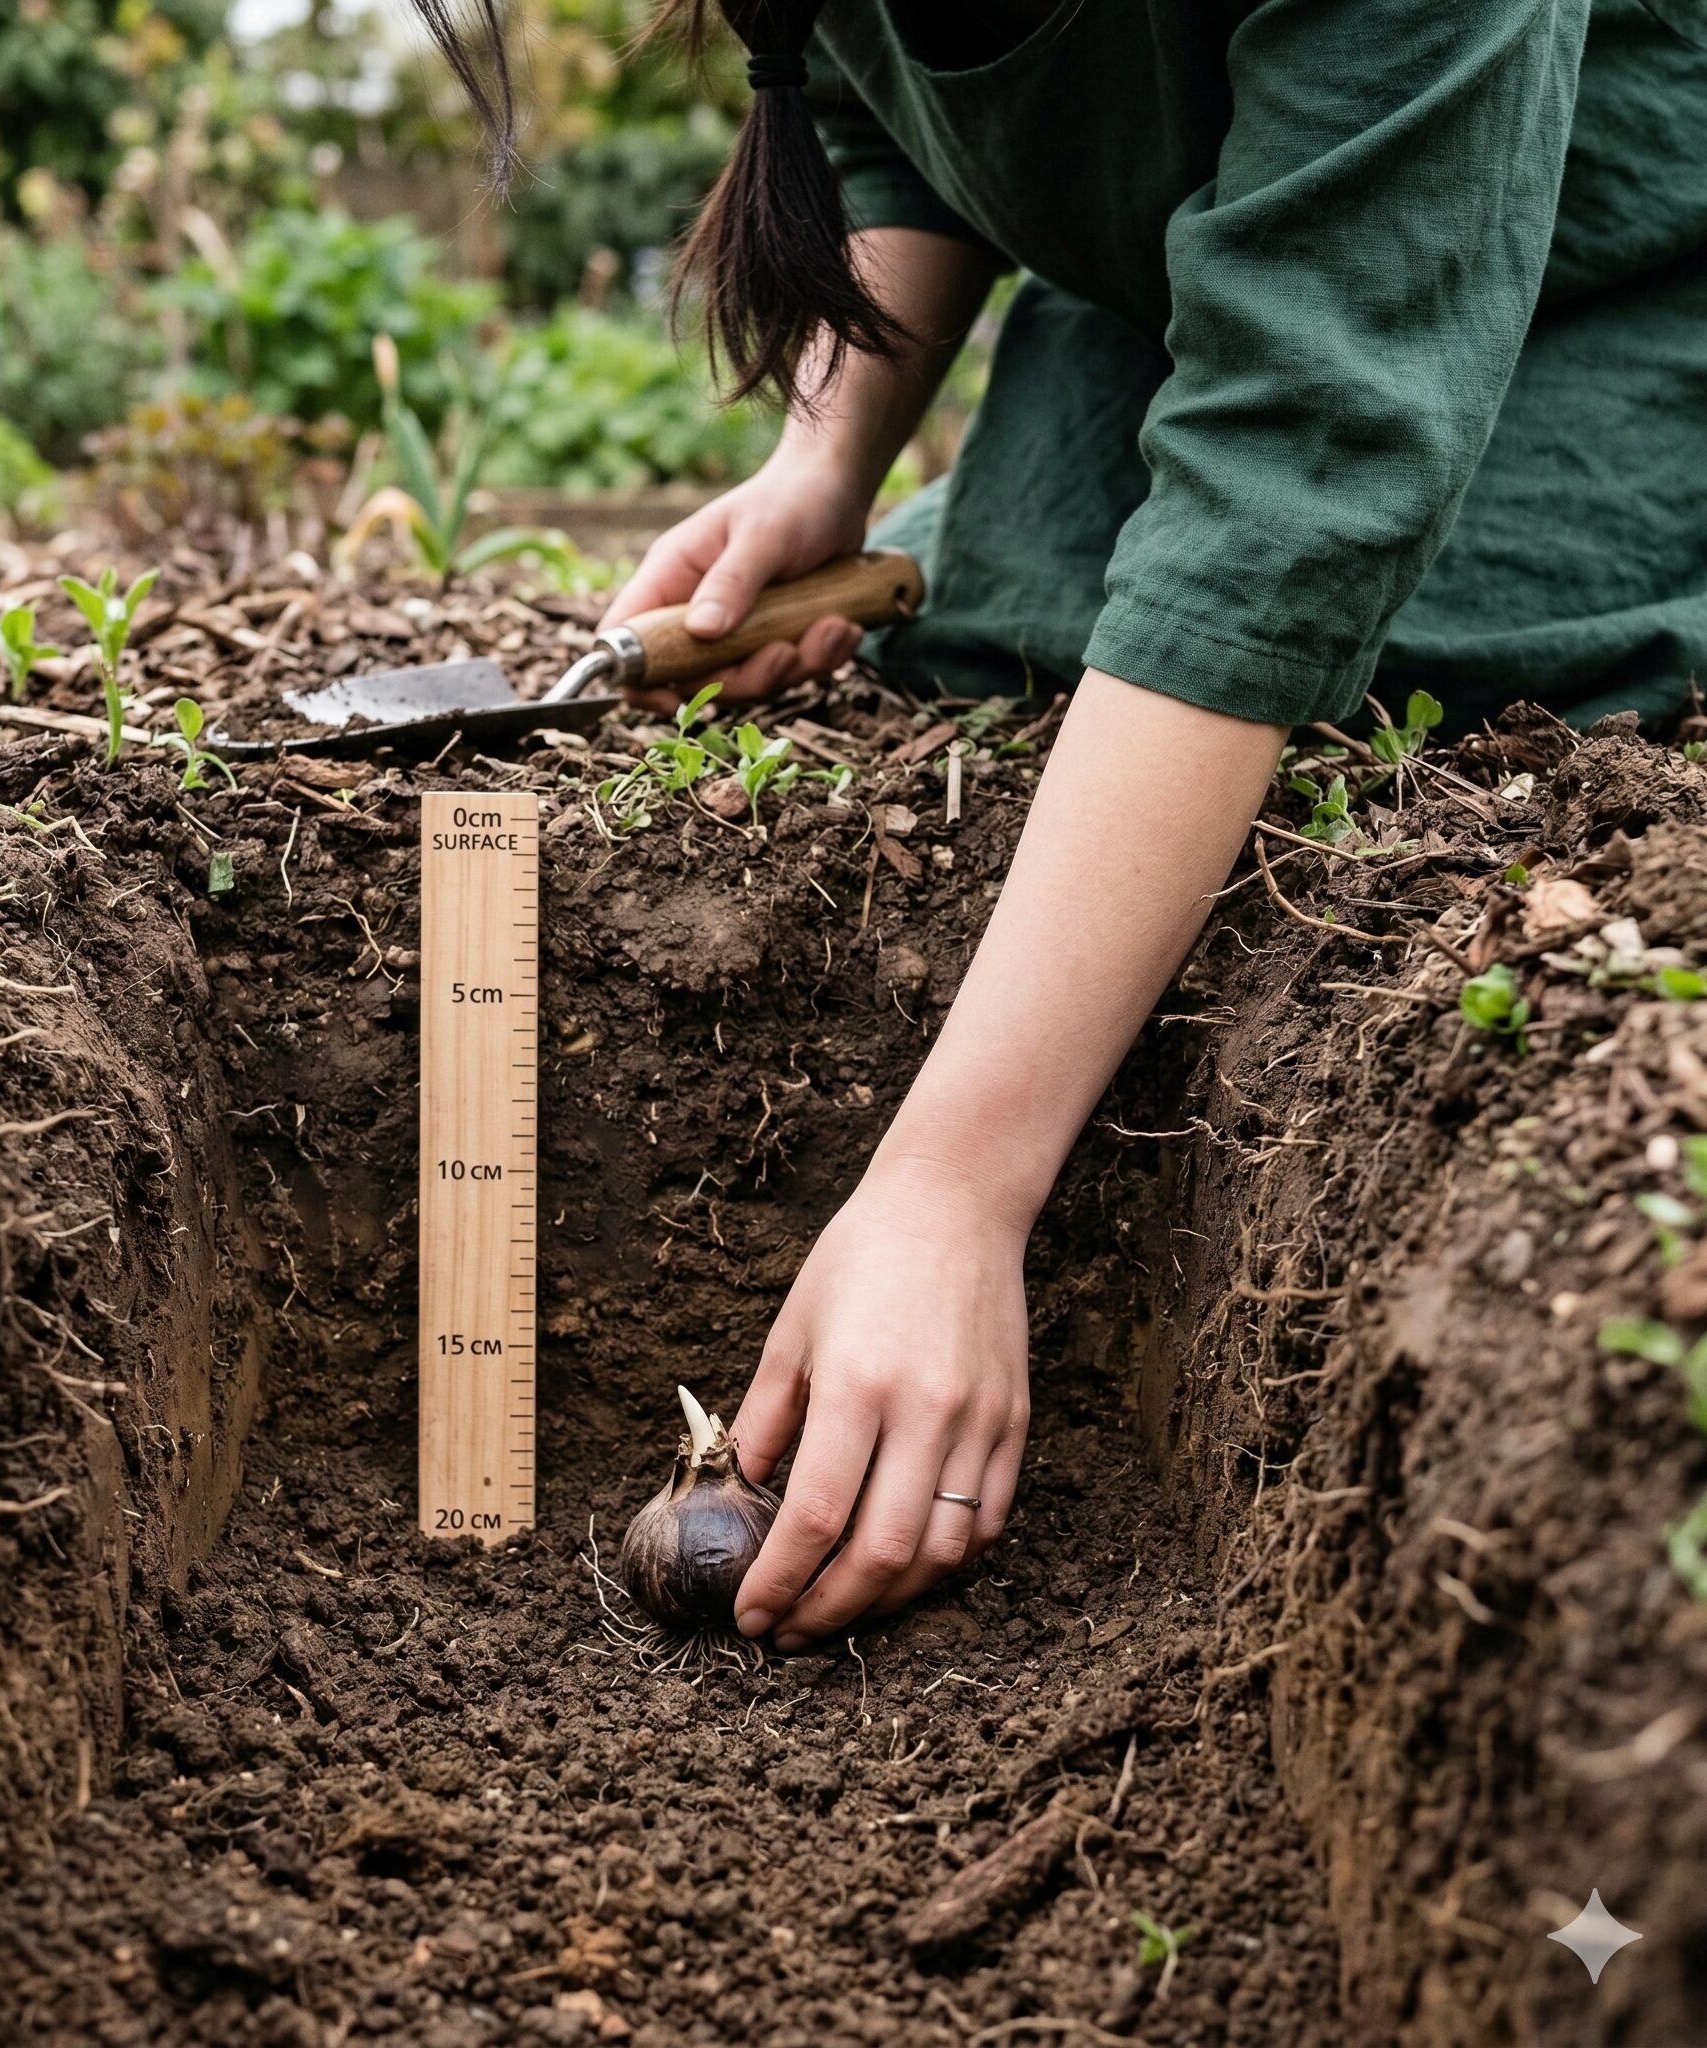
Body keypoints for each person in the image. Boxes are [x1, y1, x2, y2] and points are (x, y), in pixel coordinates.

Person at [415, 0, 1707, 1649]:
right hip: (1162, 311)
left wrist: (955, 1186)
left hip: (1580, 308)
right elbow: (903, 112)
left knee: (1392, 652)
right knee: (1011, 616)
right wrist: (830, 460)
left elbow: (1297, 478)